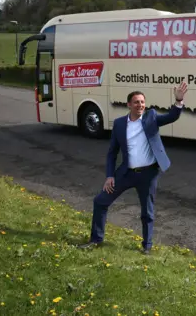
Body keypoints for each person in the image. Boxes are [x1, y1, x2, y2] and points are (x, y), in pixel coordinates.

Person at [78, 82, 188, 254]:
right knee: (100, 201)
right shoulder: (120, 124)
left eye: (142, 102)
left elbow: (171, 116)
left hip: (148, 174)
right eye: (136, 102)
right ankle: (96, 239)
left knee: (147, 211)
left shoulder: (151, 117)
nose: (140, 105)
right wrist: (109, 176)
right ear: (129, 104)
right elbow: (112, 153)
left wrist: (179, 101)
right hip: (126, 173)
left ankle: (147, 246)